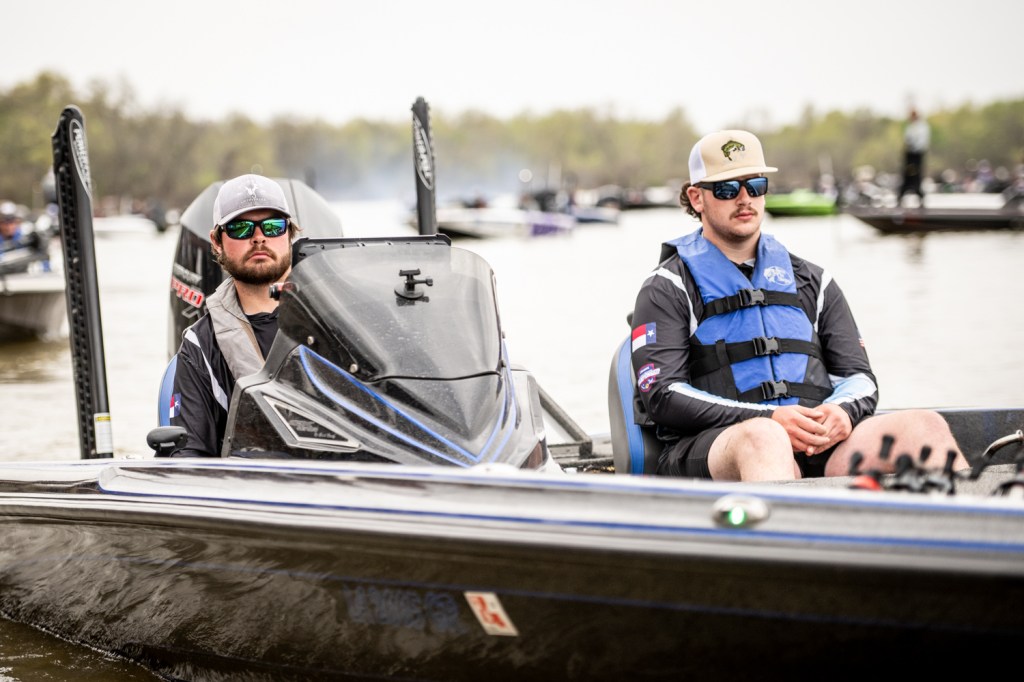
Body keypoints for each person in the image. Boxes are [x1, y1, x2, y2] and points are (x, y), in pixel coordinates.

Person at [630, 129, 966, 482]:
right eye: (727, 189)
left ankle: (972, 514)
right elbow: (663, 395)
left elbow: (859, 378)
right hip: (714, 447)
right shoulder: (666, 288)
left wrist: (842, 412)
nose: (744, 199)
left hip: (817, 445)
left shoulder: (814, 281)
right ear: (696, 198)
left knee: (925, 426)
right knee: (765, 438)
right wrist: (769, 419)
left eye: (755, 185)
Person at [167, 174, 299, 457]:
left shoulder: (336, 319)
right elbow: (189, 455)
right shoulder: (200, 347)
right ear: (216, 241)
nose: (259, 237)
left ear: (290, 234)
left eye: (273, 226)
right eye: (241, 228)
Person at [897, 109, 930, 207]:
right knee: (907, 174)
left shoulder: (922, 127)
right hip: (909, 154)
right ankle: (901, 195)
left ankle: (919, 195)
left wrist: (914, 147)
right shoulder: (910, 127)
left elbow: (922, 142)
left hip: (917, 155)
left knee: (916, 175)